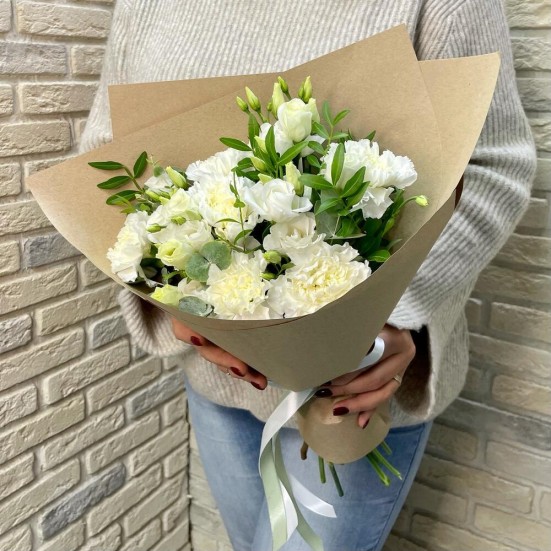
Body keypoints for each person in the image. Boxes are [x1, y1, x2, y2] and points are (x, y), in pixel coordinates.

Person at [80, 1, 536, 549]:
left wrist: (389, 312)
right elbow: (104, 159)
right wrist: (175, 299)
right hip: (218, 381)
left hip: (353, 388)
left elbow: (493, 165)